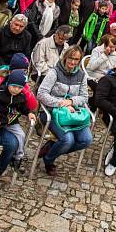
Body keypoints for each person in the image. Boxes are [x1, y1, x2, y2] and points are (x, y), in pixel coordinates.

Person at [36, 45, 93, 176]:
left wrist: (72, 102)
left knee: (87, 140)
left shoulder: (81, 75)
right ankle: (49, 160)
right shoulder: (54, 72)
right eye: (70, 58)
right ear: (65, 57)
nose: (73, 62)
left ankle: (51, 149)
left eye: (76, 59)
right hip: (52, 113)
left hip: (72, 115)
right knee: (68, 140)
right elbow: (41, 94)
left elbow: (84, 97)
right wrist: (61, 103)